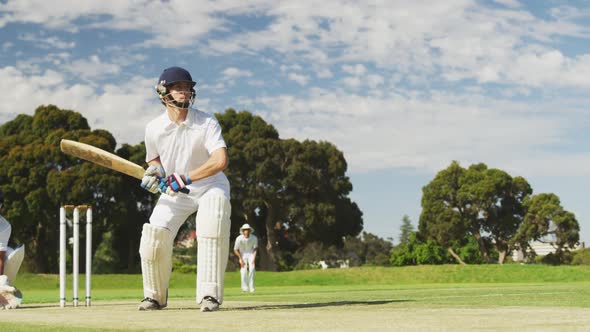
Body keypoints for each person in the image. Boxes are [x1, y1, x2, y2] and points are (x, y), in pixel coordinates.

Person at [138, 66, 231, 312]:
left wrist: (186, 177)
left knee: (213, 220)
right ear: (163, 92)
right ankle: (154, 296)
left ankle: (209, 296)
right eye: (178, 87)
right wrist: (155, 171)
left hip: (210, 185)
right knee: (154, 235)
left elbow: (220, 161)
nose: (184, 92)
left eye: (187, 88)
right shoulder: (153, 128)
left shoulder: (206, 121)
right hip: (175, 192)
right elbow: (153, 158)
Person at [0, 189, 24, 309]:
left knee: (11, 254)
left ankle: (3, 288)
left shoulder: (4, 226)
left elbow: (0, 258)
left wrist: (0, 283)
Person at [233, 224, 257, 292]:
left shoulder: (254, 238)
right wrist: (240, 259)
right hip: (242, 254)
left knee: (252, 269)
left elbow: (255, 249)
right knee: (244, 271)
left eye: (247, 230)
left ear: (250, 230)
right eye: (245, 230)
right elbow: (235, 249)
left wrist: (254, 259)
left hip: (251, 254)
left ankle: (251, 287)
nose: (246, 231)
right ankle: (244, 287)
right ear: (243, 231)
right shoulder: (239, 238)